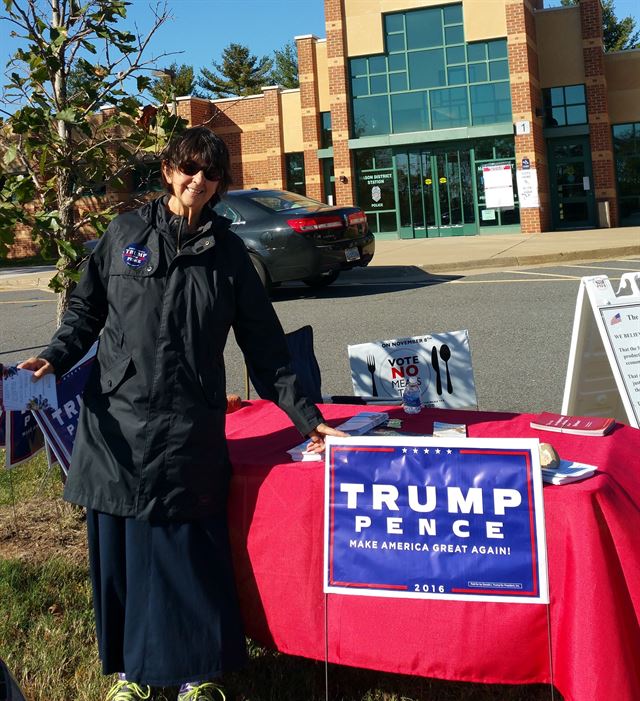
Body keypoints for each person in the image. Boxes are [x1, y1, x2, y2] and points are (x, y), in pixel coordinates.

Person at [19, 126, 343, 701]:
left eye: (210, 173)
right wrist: (52, 356)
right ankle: (129, 676)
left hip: (188, 423)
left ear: (219, 184)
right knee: (124, 550)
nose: (198, 180)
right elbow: (85, 315)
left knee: (188, 549)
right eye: (189, 168)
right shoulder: (125, 233)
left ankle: (197, 675)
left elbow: (264, 346)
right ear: (169, 170)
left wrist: (305, 415)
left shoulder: (228, 253)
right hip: (117, 421)